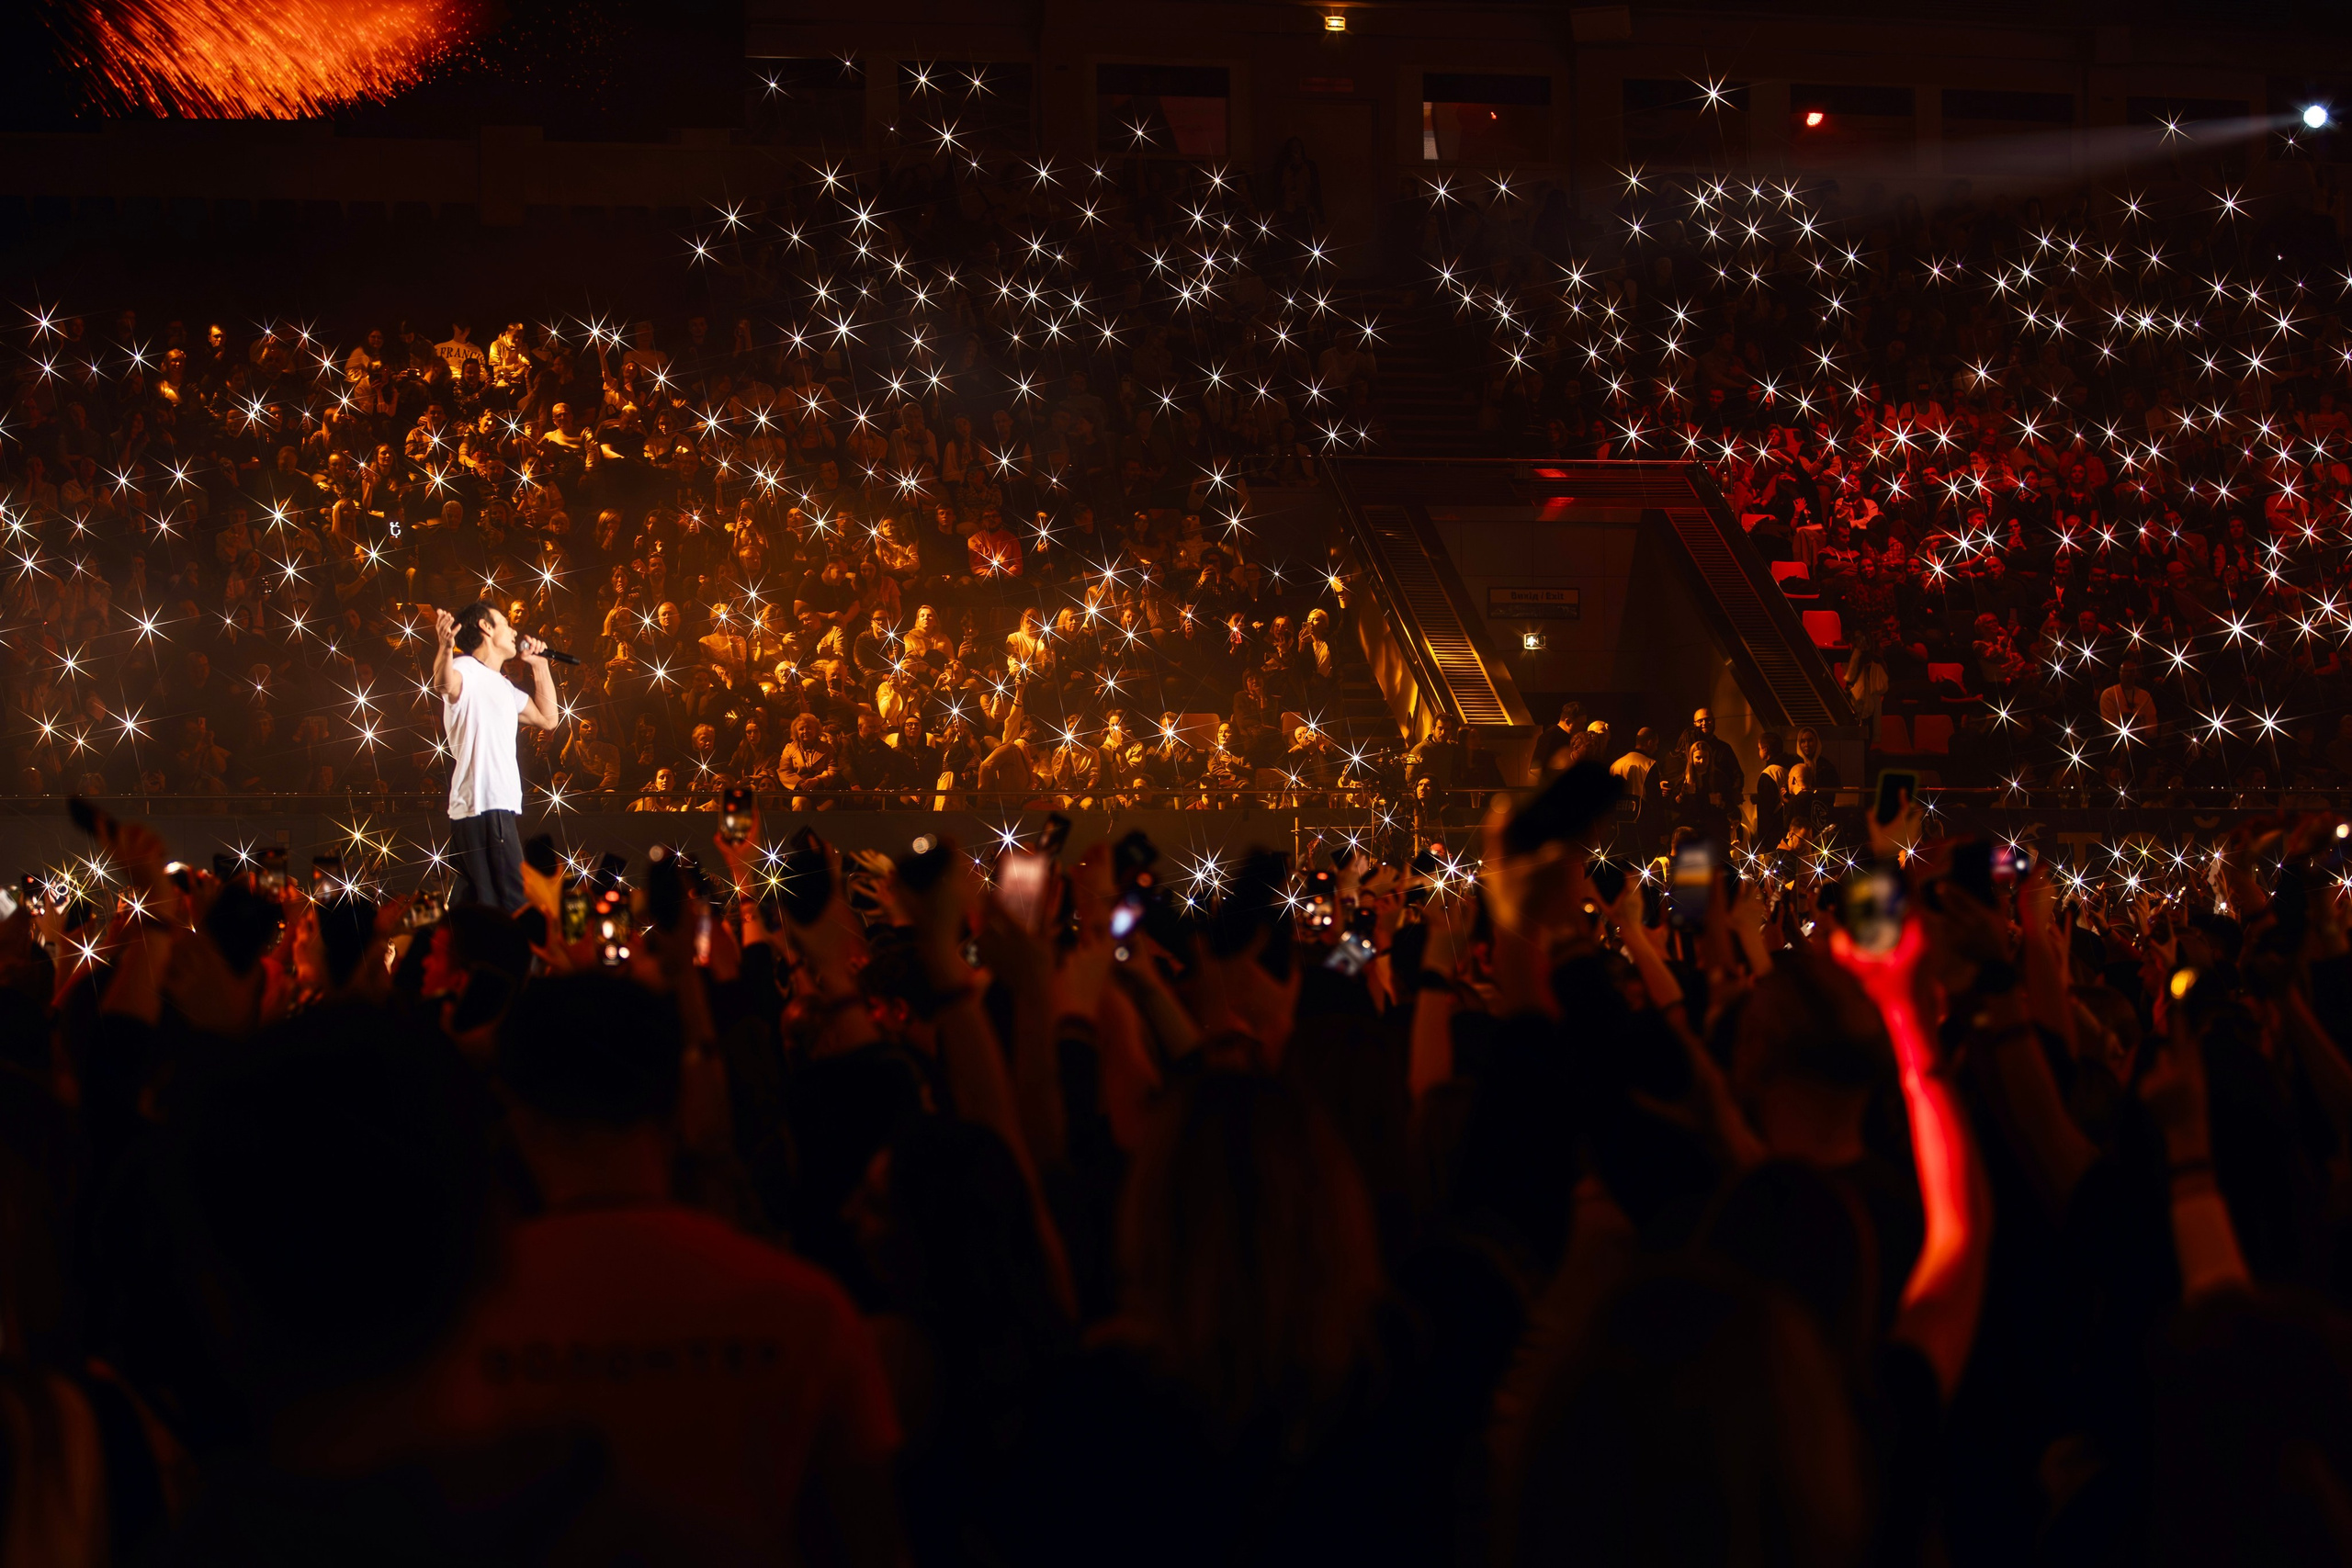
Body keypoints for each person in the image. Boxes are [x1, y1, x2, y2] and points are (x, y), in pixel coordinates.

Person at [443, 974, 903, 1565]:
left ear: (517, 1113)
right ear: (675, 1101)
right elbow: (873, 1544)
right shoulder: (806, 1309)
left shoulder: (450, 1324)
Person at [432, 600, 559, 910]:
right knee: (514, 904)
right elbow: (444, 684)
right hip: (487, 805)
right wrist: (446, 649)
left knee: (472, 906)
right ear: (486, 627)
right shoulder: (464, 667)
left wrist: (540, 666)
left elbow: (548, 719)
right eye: (505, 622)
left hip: (477, 809)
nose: (514, 630)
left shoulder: (503, 686)